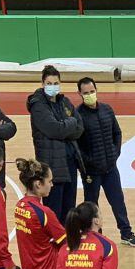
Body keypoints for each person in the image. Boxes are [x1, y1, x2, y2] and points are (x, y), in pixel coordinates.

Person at [75, 77, 135, 248]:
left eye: (92, 91)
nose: (90, 95)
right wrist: (88, 162)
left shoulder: (107, 110)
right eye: (86, 93)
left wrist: (114, 153)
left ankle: (126, 233)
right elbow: (76, 144)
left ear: (96, 90)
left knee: (118, 201)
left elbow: (117, 133)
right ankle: (94, 236)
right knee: (91, 205)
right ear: (80, 94)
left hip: (110, 168)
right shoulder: (78, 115)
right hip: (91, 171)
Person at [27, 65, 85, 224]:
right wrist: (69, 124)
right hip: (51, 166)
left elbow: (80, 128)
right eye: (49, 83)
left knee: (69, 211)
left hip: (69, 163)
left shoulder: (65, 102)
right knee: (54, 213)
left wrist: (65, 126)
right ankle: (55, 246)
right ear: (43, 84)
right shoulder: (38, 105)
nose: (53, 86)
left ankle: (68, 244)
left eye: (56, 83)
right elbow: (55, 130)